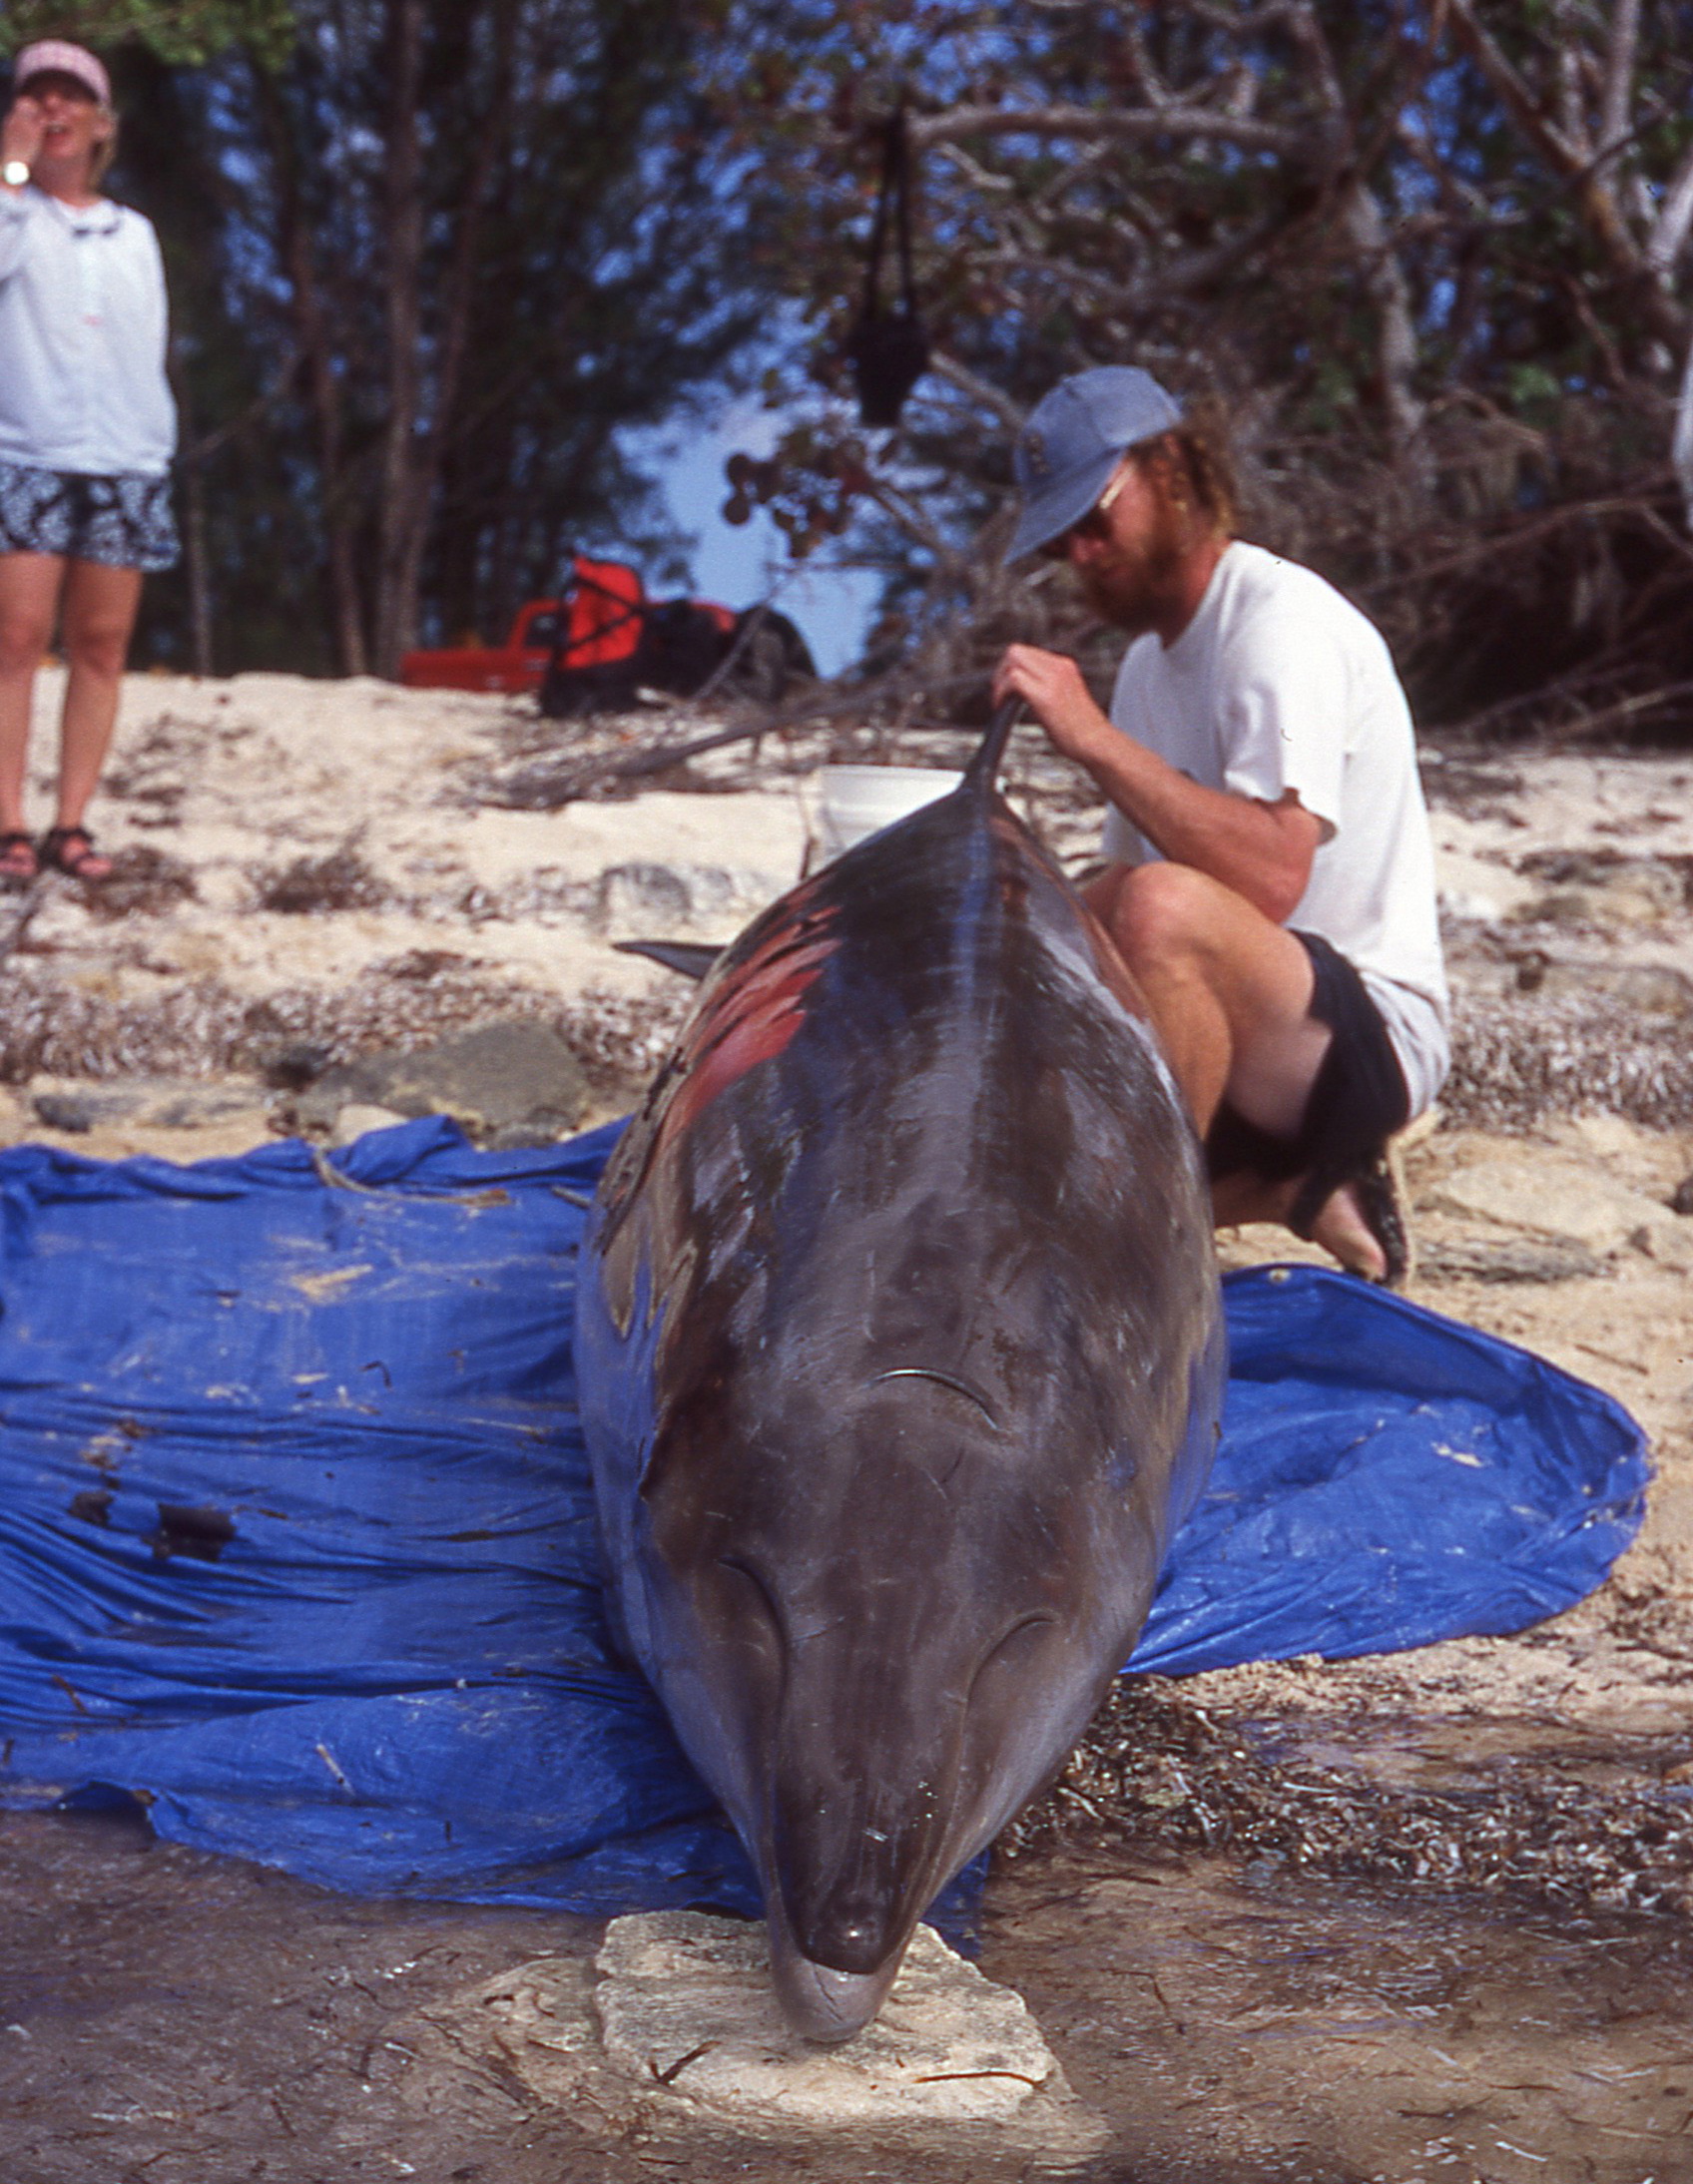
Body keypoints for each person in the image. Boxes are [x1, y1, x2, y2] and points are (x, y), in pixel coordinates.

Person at [992, 367, 1447, 1286]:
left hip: (1362, 1037)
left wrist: (1091, 741)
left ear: (1170, 471)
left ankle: (1149, 1263)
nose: (1081, 555)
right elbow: (1117, 893)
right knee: (1056, 950)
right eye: (1061, 542)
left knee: (1160, 909)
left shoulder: (1278, 624)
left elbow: (1273, 875)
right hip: (1253, 1039)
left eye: (1094, 520)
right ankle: (1296, 1188)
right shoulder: (1150, 667)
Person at [0, 38, 178, 885]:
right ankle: (9, 825)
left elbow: (147, 348)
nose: (55, 113)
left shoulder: (133, 234)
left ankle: (72, 822)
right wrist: (11, 169)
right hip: (24, 452)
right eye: (39, 98)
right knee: (15, 639)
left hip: (124, 463)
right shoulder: (9, 209)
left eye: (72, 99)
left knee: (101, 645)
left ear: (103, 123)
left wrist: (151, 445)